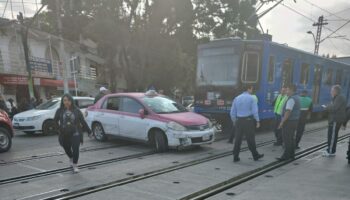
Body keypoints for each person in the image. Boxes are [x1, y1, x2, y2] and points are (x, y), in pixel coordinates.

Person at [54, 94, 92, 173]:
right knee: (67, 148)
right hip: (64, 134)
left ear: (71, 101)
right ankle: (71, 158)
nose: (67, 102)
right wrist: (59, 129)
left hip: (75, 133)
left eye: (68, 100)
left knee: (75, 149)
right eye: (65, 100)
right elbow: (55, 121)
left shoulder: (76, 110)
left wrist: (89, 131)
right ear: (62, 101)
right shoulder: (59, 110)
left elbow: (82, 121)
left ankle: (75, 165)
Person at [230, 85, 264, 162]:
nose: (252, 91)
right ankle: (255, 155)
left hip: (239, 121)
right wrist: (258, 121)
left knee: (238, 139)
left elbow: (232, 112)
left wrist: (234, 121)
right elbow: (255, 111)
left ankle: (235, 157)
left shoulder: (237, 98)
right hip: (248, 121)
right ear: (248, 89)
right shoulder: (252, 98)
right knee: (250, 139)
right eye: (251, 89)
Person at [277, 84, 300, 161]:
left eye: (287, 90)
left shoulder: (291, 99)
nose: (286, 91)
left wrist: (282, 122)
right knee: (291, 138)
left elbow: (288, 111)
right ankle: (291, 155)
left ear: (291, 90)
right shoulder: (297, 97)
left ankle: (285, 156)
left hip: (289, 122)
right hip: (294, 121)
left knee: (287, 139)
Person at [322, 85, 347, 157]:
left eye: (331, 91)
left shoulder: (339, 98)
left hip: (336, 120)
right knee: (331, 135)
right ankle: (330, 149)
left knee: (332, 136)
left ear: (335, 91)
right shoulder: (337, 98)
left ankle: (331, 152)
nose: (331, 92)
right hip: (334, 119)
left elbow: (334, 108)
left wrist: (326, 107)